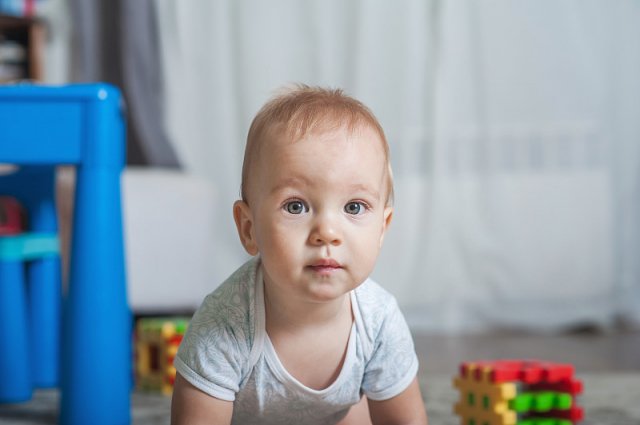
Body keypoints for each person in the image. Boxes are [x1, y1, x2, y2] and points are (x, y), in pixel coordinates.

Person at [171, 84, 428, 425]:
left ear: (383, 228)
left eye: (354, 206)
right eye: (296, 206)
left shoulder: (379, 321)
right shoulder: (224, 326)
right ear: (249, 229)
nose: (327, 232)